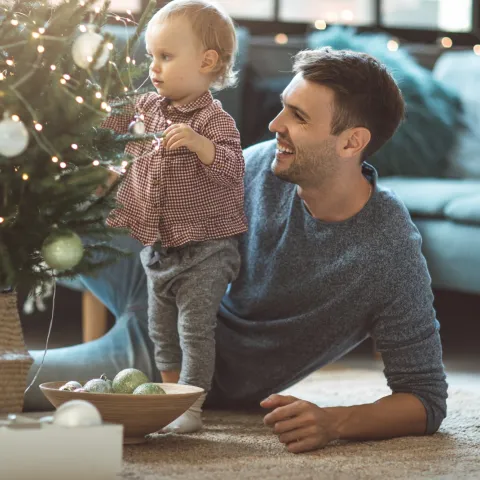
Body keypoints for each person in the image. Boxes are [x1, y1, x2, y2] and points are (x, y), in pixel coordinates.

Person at [25, 47, 448, 454]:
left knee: (13, 382)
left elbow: (425, 399)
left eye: (298, 116)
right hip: (156, 269)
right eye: (284, 106)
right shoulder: (263, 163)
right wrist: (117, 181)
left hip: (182, 362)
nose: (274, 124)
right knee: (42, 198)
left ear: (352, 142)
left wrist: (335, 421)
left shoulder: (389, 252)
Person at [100, 0, 247, 433]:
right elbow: (109, 126)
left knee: (194, 329)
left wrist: (202, 145)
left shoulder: (215, 121)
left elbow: (232, 168)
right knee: (160, 331)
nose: (155, 67)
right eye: (151, 57)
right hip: (159, 247)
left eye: (165, 56)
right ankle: (168, 399)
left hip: (207, 249)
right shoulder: (146, 108)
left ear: (206, 62)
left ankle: (192, 405)